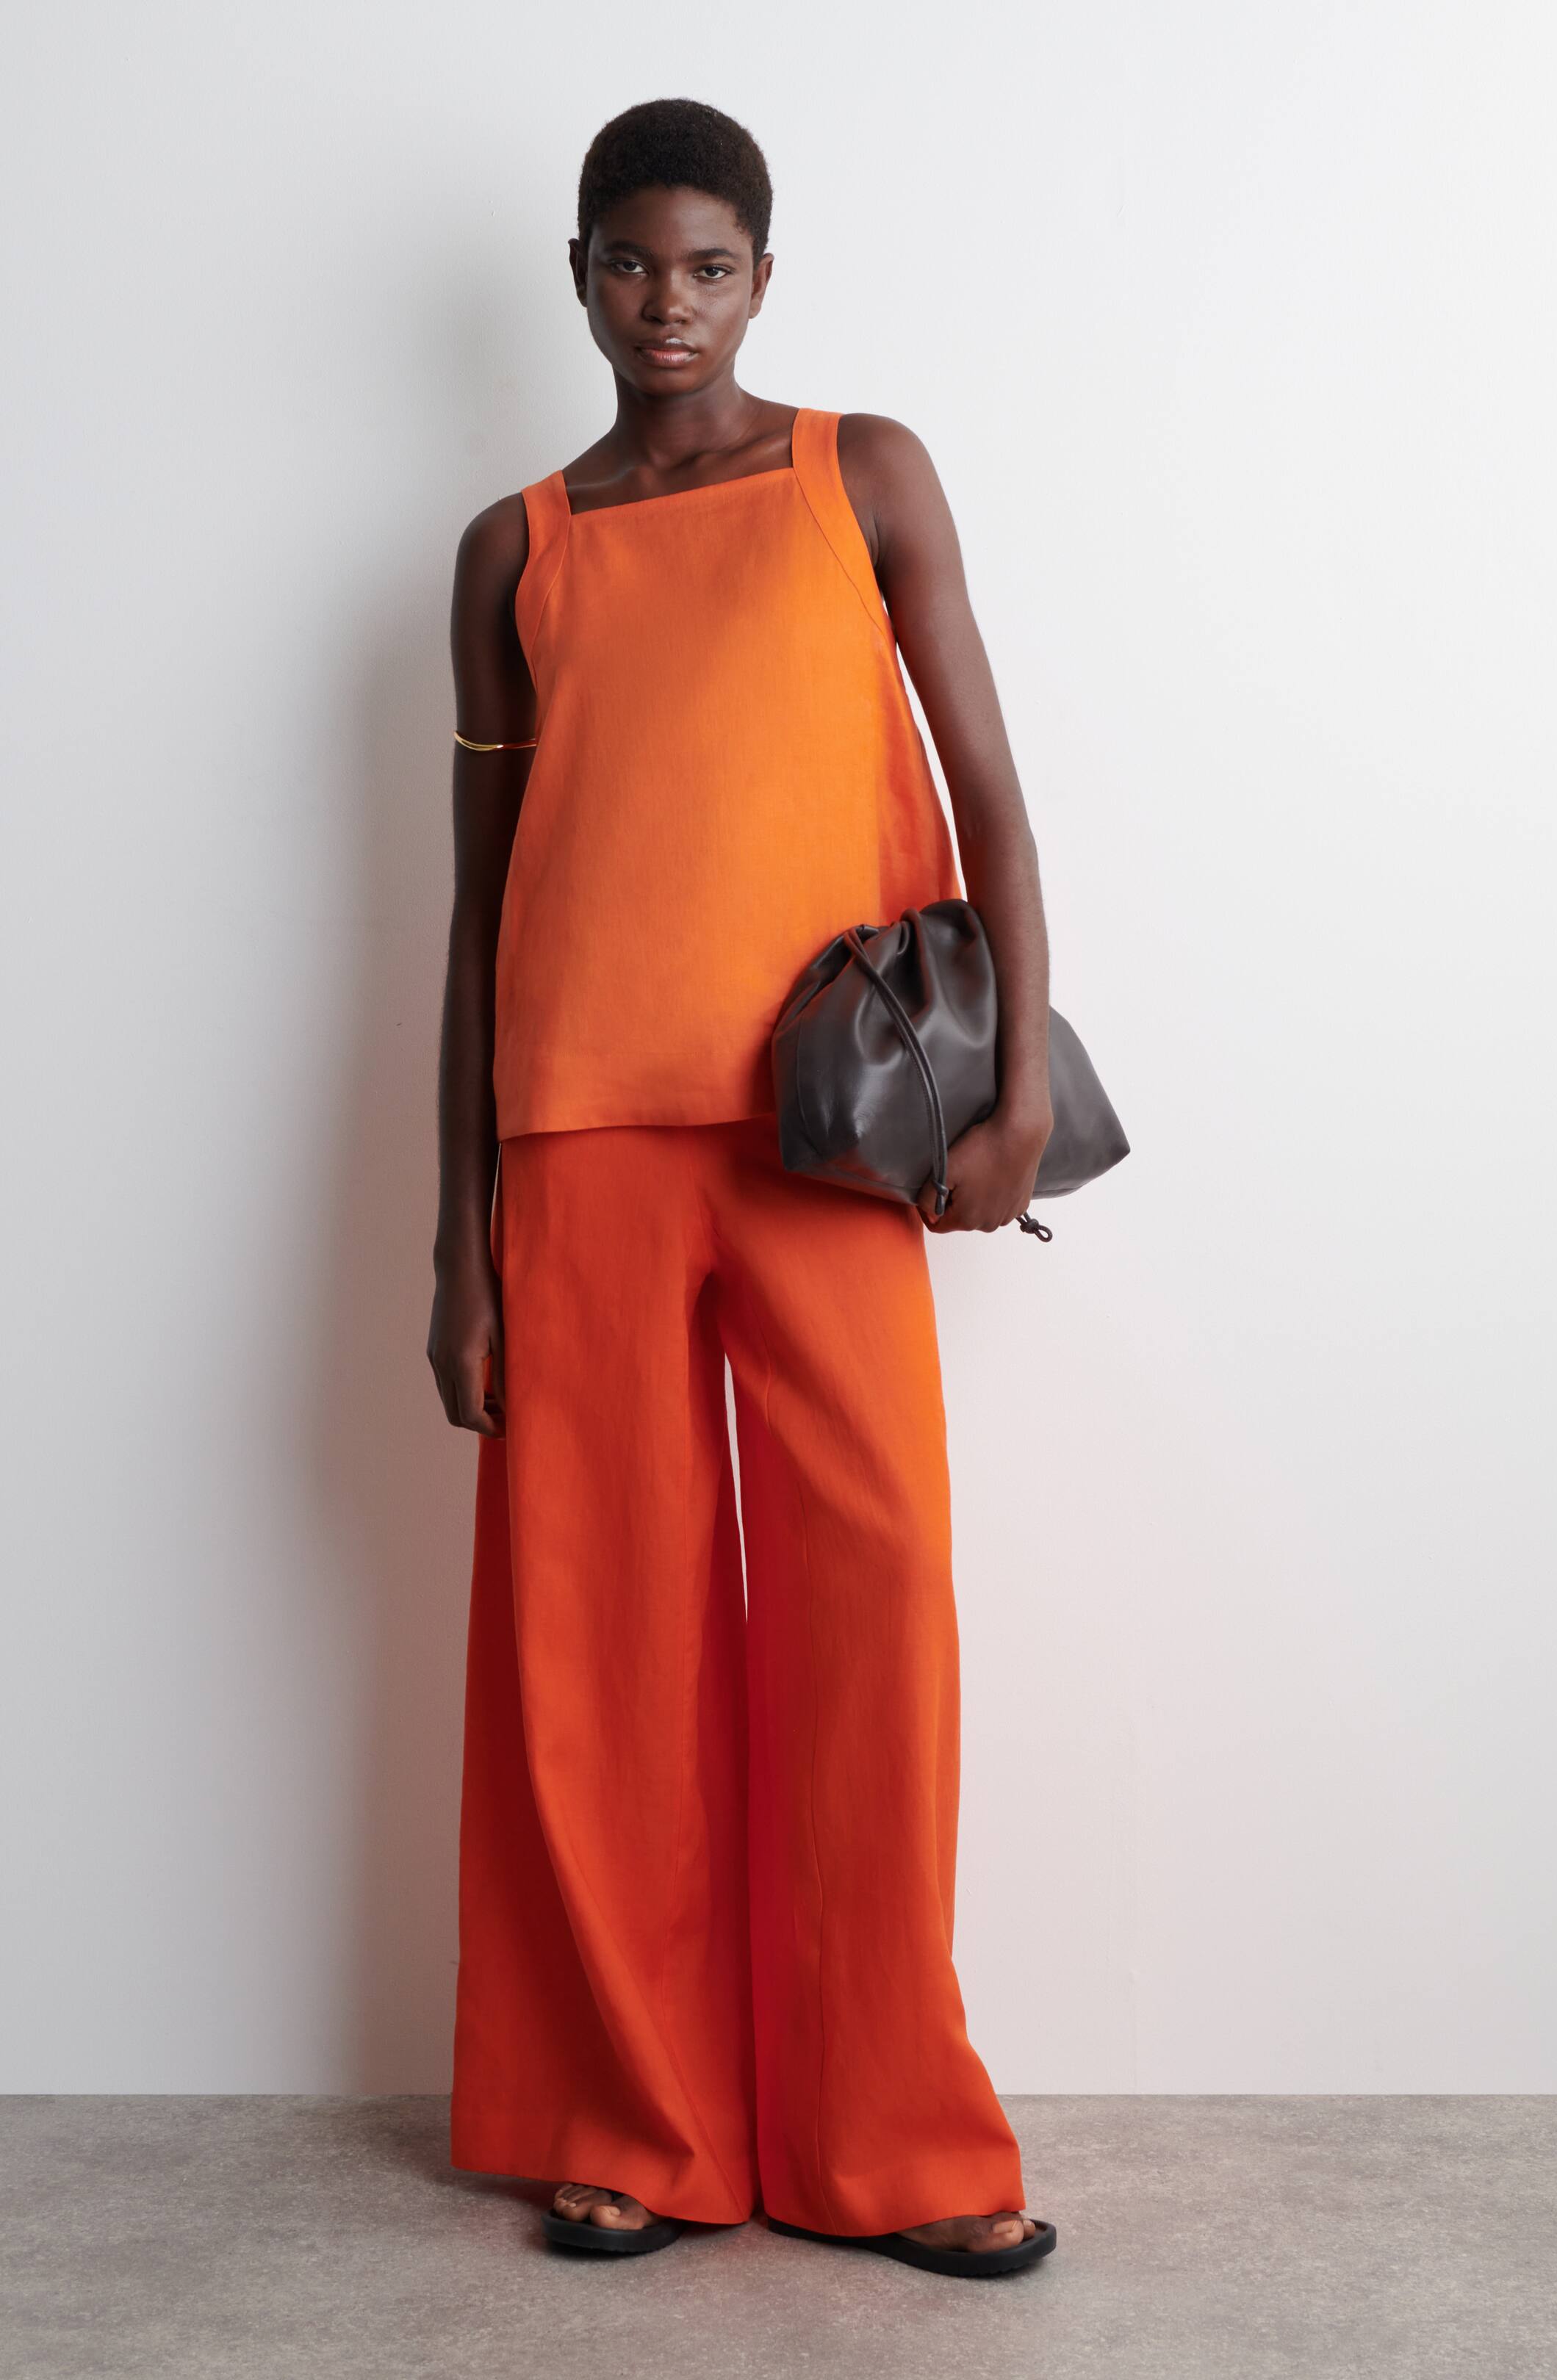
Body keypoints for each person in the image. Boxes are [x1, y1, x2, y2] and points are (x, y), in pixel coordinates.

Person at [427, 96, 1056, 2279]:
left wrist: (1017, 1093)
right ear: (578, 274)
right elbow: (481, 910)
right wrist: (458, 1242)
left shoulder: (863, 474)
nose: (667, 303)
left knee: (873, 1608)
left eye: (708, 267)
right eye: (630, 263)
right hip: (577, 1142)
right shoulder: (515, 549)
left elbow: (991, 792)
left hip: (826, 1130)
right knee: (608, 1643)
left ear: (765, 277)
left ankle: (897, 2137)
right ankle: (642, 2119)